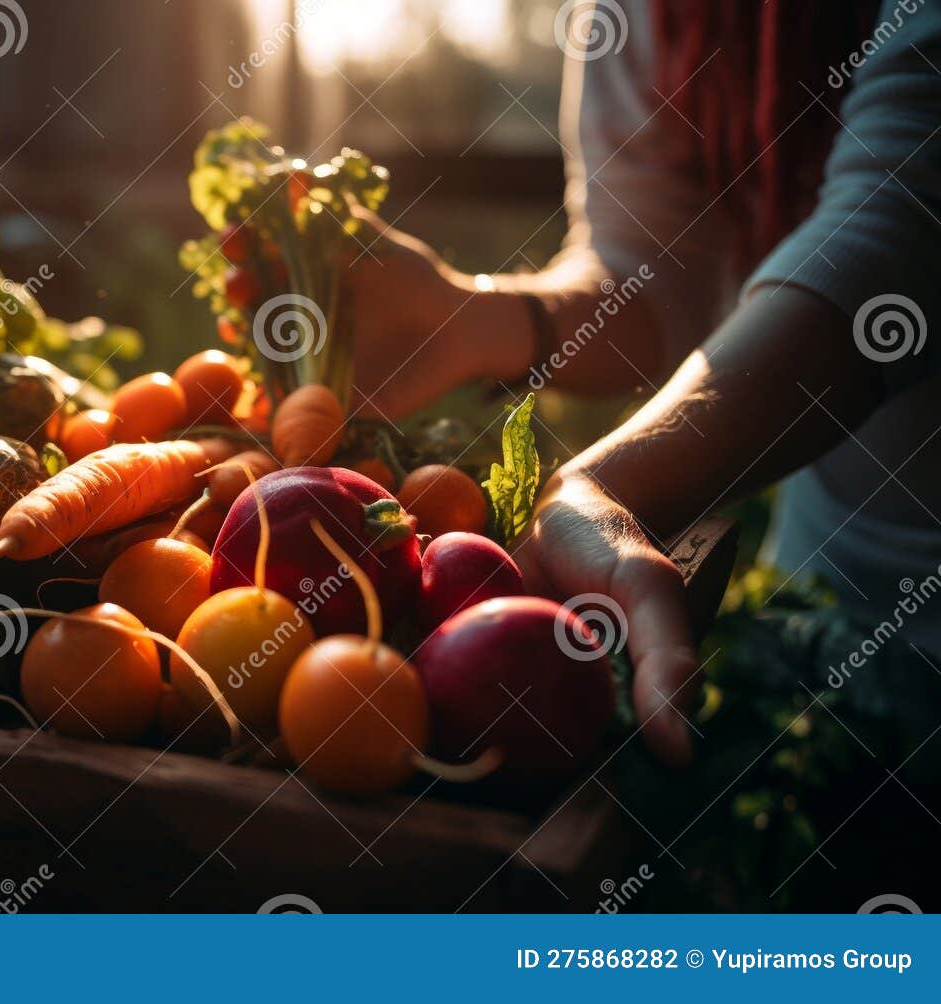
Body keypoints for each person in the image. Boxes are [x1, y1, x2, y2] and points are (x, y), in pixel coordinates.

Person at [348, 0, 941, 767]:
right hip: (814, 591)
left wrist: (610, 487)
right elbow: (652, 269)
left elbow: (901, 226)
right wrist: (479, 317)